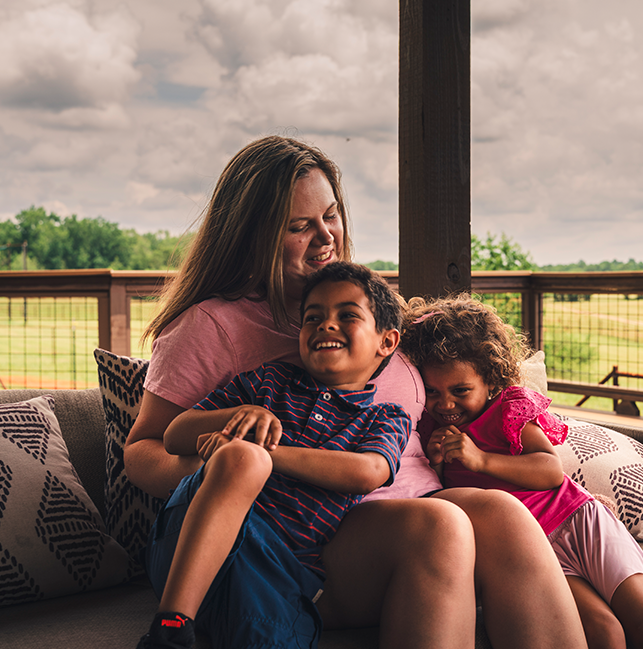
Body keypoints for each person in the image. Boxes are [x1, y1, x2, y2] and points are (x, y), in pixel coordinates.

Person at [124, 135, 585, 649]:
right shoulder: (212, 327)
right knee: (442, 526)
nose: (326, 238)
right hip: (298, 538)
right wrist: (236, 464)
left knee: (504, 515)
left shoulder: (371, 312)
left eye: (331, 216)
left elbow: (473, 384)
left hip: (400, 504)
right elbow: (146, 451)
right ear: (253, 236)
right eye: (300, 226)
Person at [399, 295, 643, 649]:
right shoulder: (428, 428)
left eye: (460, 390)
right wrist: (437, 460)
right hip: (536, 549)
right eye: (433, 392)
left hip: (580, 523)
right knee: (604, 631)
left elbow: (549, 470)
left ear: (489, 380)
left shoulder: (506, 411)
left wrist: (480, 459)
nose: (446, 404)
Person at [138, 263, 412, 648]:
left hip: (278, 572)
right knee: (242, 461)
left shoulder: (384, 417)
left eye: (347, 315)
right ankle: (170, 628)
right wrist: (235, 419)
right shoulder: (267, 382)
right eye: (312, 317)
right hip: (187, 544)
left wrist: (267, 451)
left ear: (387, 341)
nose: (326, 325)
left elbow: (368, 471)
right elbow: (173, 435)